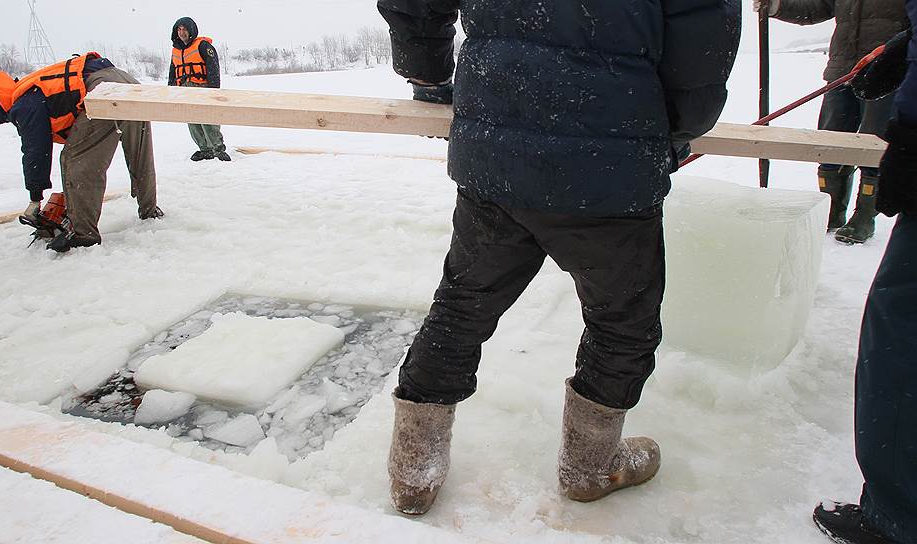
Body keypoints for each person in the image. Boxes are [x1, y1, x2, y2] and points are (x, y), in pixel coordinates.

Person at [377, 0, 741, 515]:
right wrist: (673, 130)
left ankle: (413, 473)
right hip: (610, 164)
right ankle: (590, 468)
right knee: (622, 324)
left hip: (496, 152)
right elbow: (702, 43)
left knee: (463, 307)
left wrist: (428, 72)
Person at [811, 19, 916, 544]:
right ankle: (831, 212)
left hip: (906, 108)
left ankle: (897, 518)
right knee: (834, 148)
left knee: (902, 330)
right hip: (855, 67)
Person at [0, 53, 162, 253]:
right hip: (125, 81)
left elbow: (36, 151)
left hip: (101, 89)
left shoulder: (22, 104)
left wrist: (35, 197)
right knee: (139, 152)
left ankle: (82, 233)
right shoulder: (31, 89)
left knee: (74, 159)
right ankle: (149, 209)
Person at [754, 0, 908, 244]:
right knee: (829, 144)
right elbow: (817, 7)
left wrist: (895, 50)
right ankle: (832, 212)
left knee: (873, 145)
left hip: (884, 73)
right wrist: (776, 6)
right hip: (842, 72)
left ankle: (865, 217)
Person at [168, 17, 231, 162]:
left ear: (191, 30)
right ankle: (205, 149)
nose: (182, 32)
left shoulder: (203, 46)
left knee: (207, 119)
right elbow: (173, 71)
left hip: (202, 88)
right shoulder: (176, 50)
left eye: (184, 29)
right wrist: (170, 90)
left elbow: (213, 67)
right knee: (192, 120)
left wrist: (213, 90)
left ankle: (218, 149)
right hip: (184, 89)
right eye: (179, 29)